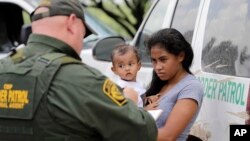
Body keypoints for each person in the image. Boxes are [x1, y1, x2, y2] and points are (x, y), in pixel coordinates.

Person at [0, 0, 157, 141]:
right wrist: (130, 101)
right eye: (83, 34)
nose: (81, 43)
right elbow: (142, 132)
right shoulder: (82, 79)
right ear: (72, 22)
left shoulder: (3, 68)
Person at [145, 28, 204, 141]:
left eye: (163, 60)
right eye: (154, 60)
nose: (157, 67)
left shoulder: (191, 87)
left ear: (180, 56)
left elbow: (168, 136)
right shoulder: (159, 83)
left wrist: (128, 134)